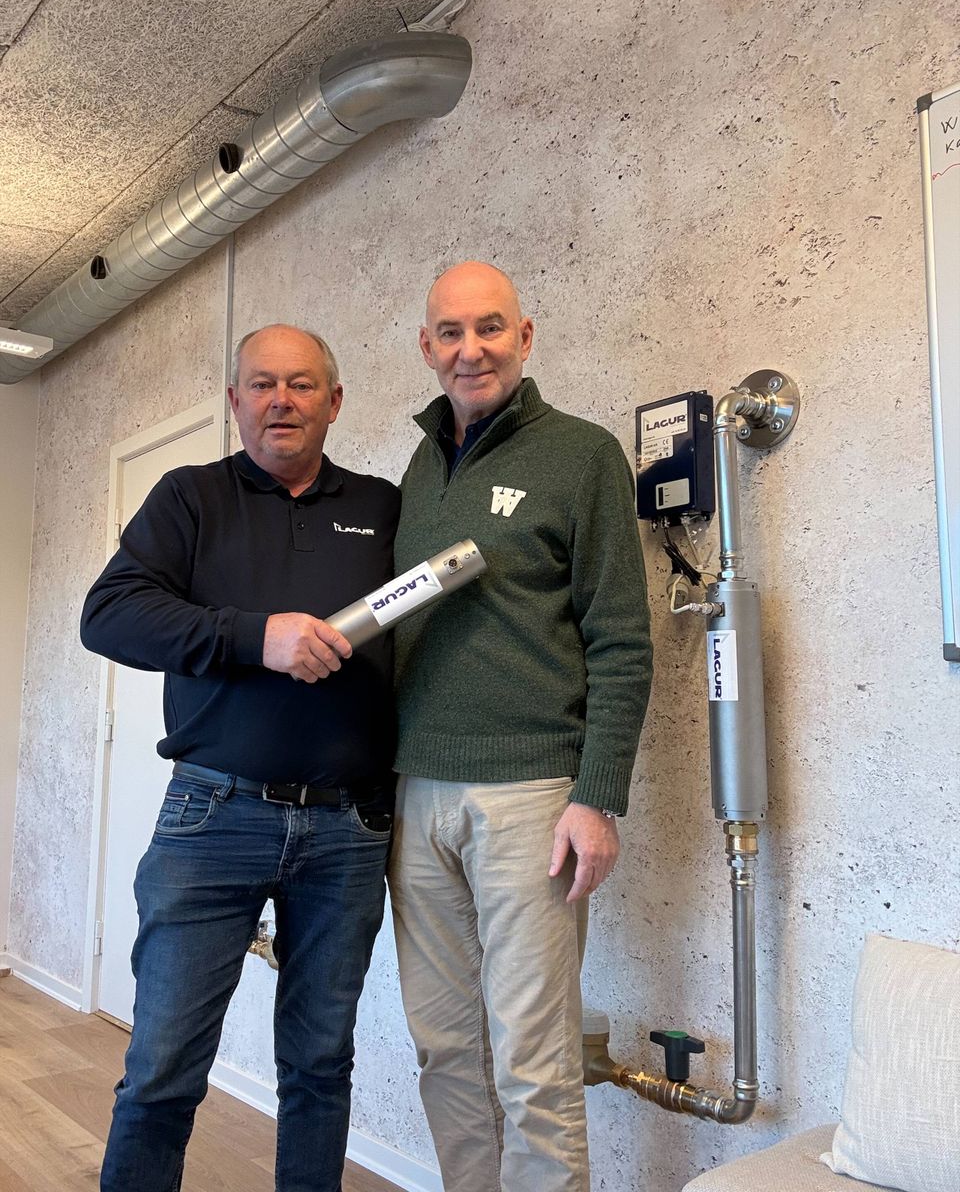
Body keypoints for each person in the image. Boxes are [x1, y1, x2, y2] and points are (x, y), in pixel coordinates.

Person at [81, 324, 400, 1192]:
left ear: (334, 401)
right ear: (235, 401)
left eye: (301, 384)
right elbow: (108, 615)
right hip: (213, 817)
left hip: (350, 829)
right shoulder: (190, 498)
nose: (280, 401)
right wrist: (256, 637)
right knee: (162, 1070)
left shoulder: (382, 507)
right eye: (261, 384)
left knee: (320, 1065)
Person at [389, 262, 653, 1192]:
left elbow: (622, 639)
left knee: (534, 1067)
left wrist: (597, 796)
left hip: (533, 797)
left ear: (526, 336)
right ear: (427, 347)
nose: (472, 350)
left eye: (491, 327)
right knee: (445, 1049)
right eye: (451, 333)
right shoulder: (418, 470)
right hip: (416, 792)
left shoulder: (581, 455)